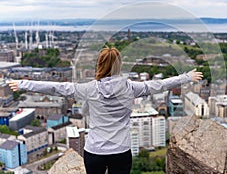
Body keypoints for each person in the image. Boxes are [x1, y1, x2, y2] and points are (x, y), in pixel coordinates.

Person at [8, 47, 203, 174]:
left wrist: (23, 83)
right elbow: (160, 85)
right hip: (121, 151)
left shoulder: (89, 88)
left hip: (94, 151)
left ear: (99, 65)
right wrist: (186, 76)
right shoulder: (131, 87)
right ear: (119, 66)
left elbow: (56, 88)